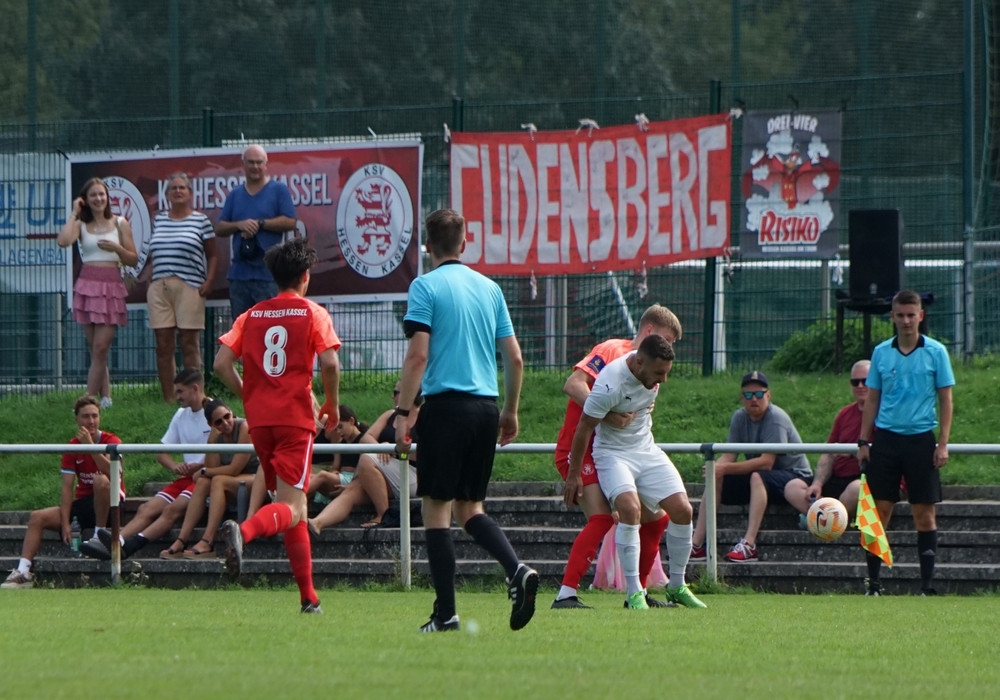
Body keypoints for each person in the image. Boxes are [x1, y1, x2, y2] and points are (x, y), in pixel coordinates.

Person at [394, 208, 537, 633]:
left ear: (427, 246)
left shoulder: (424, 286)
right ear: (464, 242)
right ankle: (516, 569)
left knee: (436, 510)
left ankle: (446, 615)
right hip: (485, 409)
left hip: (446, 408)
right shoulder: (490, 288)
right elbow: (514, 357)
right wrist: (510, 410)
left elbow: (418, 355)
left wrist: (403, 413)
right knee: (470, 507)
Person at [215, 237, 341, 615]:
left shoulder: (251, 315)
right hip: (294, 420)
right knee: (291, 506)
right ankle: (243, 532)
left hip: (261, 423)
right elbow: (330, 363)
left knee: (293, 507)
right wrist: (332, 404)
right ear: (305, 276)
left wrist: (249, 395)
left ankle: (309, 598)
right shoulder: (313, 312)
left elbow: (221, 363)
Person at [551, 303, 683, 610]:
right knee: (601, 518)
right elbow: (573, 384)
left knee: (657, 518)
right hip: (580, 449)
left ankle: (638, 592)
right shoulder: (612, 350)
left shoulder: (648, 371)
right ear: (649, 331)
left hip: (615, 453)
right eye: (667, 339)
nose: (669, 347)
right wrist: (608, 415)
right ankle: (565, 595)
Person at [565, 335, 706, 610]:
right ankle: (633, 593)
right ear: (639, 362)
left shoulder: (650, 376)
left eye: (666, 373)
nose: (663, 380)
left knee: (683, 510)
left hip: (646, 449)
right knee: (630, 509)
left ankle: (677, 586)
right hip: (612, 455)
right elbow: (583, 429)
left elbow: (642, 404)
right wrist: (574, 474)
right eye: (659, 373)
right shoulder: (609, 383)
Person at [857, 290, 954, 597]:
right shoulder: (881, 352)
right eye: (900, 315)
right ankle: (874, 584)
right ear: (893, 317)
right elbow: (872, 398)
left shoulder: (936, 352)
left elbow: (946, 399)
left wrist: (942, 443)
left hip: (921, 440)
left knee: (924, 513)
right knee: (879, 512)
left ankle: (926, 586)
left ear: (920, 316)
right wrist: (863, 440)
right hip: (886, 440)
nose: (906, 321)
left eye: (911, 315)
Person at [80, 368, 210, 560]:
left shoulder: (215, 412)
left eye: (180, 392)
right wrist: (175, 466)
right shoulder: (181, 414)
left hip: (205, 478)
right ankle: (116, 542)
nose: (177, 397)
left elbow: (224, 452)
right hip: (187, 478)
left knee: (171, 510)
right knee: (146, 509)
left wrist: (199, 466)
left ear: (195, 388)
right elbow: (162, 452)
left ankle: (129, 546)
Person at [3, 396, 126, 589]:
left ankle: (98, 536)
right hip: (85, 504)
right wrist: (65, 523)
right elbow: (67, 487)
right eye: (85, 416)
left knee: (101, 481)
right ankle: (23, 571)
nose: (91, 421)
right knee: (37, 517)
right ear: (77, 419)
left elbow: (115, 474)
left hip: (112, 504)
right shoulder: (72, 446)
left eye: (95, 416)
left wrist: (91, 447)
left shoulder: (111, 441)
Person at [691, 371, 813, 563]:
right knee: (719, 477)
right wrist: (714, 468)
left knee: (757, 475)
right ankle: (697, 544)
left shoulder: (776, 418)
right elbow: (729, 454)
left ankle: (749, 544)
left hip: (794, 477)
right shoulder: (739, 417)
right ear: (742, 398)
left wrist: (725, 468)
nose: (753, 399)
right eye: (748, 395)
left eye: (759, 394)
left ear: (768, 395)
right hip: (762, 480)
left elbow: (767, 462)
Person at [56, 177, 139, 408]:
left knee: (101, 347)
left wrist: (116, 248)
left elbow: (133, 259)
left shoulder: (120, 223)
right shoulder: (81, 225)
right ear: (85, 199)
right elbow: (63, 241)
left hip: (111, 285)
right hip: (88, 284)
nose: (98, 198)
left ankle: (87, 401)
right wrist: (74, 213)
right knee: (95, 349)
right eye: (93, 195)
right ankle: (106, 398)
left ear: (107, 197)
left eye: (101, 194)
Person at [147, 172, 218, 403]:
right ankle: (170, 399)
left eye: (182, 188)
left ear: (190, 193)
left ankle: (194, 397)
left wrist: (209, 281)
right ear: (167, 194)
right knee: (163, 345)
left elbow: (213, 255)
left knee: (189, 344)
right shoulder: (159, 220)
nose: (177, 191)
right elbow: (152, 254)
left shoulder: (200, 220)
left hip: (190, 285)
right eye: (173, 188)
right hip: (160, 287)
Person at [160, 398, 260, 559]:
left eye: (227, 416)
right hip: (235, 481)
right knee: (202, 482)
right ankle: (181, 540)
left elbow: (234, 469)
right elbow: (212, 466)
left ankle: (208, 540)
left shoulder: (244, 427)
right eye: (218, 422)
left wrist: (204, 471)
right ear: (211, 425)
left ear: (231, 412)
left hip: (257, 479)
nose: (225, 423)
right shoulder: (216, 436)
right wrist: (212, 440)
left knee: (217, 480)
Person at [308, 396, 421, 534]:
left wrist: (393, 450)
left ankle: (383, 515)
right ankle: (317, 523)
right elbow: (366, 438)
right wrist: (382, 447)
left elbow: (431, 452)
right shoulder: (390, 415)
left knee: (367, 458)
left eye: (397, 392)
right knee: (351, 491)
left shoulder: (423, 416)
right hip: (385, 474)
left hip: (414, 476)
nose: (393, 396)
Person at [214, 144, 297, 319]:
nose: (255, 166)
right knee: (241, 329)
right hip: (239, 277)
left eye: (259, 162)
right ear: (243, 164)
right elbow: (219, 228)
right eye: (251, 162)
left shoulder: (279, 190)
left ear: (266, 164)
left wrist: (260, 224)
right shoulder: (235, 195)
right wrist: (239, 225)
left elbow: (290, 221)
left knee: (270, 328)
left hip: (269, 276)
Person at [785, 360, 871, 519]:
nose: (860, 386)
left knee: (857, 489)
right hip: (837, 478)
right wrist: (817, 483)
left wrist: (852, 452)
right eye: (855, 382)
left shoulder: (885, 414)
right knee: (792, 487)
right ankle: (827, 518)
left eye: (865, 381)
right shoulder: (844, 414)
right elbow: (829, 452)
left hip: (865, 477)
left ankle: (822, 519)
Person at [309, 404, 367, 502]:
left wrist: (352, 484)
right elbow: (336, 465)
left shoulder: (363, 439)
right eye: (336, 429)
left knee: (323, 475)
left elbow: (363, 467)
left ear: (351, 421)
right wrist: (334, 471)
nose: (339, 432)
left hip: (354, 479)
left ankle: (294, 498)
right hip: (341, 476)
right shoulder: (341, 443)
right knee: (310, 476)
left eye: (340, 427)